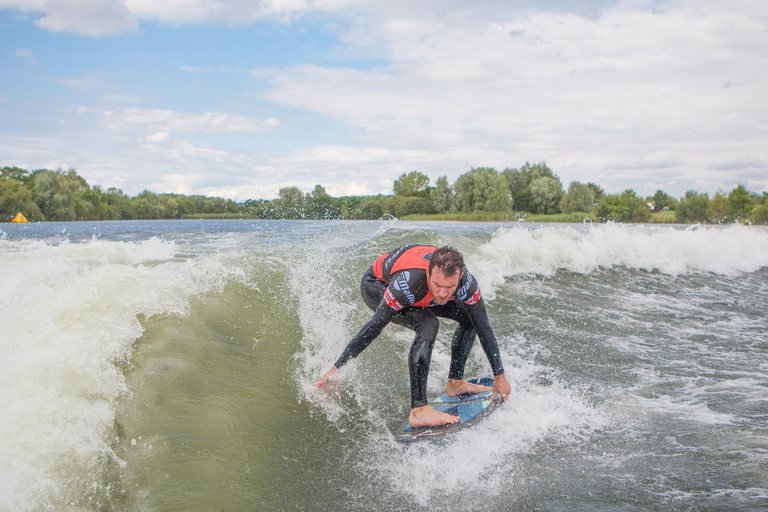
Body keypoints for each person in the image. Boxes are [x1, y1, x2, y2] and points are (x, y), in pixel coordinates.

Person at [315, 244, 511, 428]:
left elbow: (484, 327)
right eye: (437, 285)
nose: (443, 294)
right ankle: (418, 410)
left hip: (420, 290)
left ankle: (455, 383)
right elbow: (373, 327)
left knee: (471, 319)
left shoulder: (467, 285)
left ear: (459, 278)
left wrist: (499, 376)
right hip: (377, 285)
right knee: (428, 324)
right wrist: (337, 368)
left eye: (449, 287)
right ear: (428, 273)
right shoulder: (407, 283)